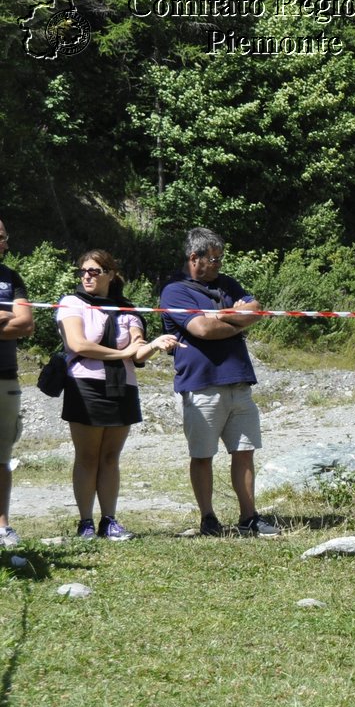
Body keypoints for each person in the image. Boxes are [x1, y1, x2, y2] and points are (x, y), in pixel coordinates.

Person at [159, 228, 278, 537]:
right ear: (193, 258)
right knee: (202, 455)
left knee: (245, 450)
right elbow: (201, 330)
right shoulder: (174, 290)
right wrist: (235, 319)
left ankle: (249, 517)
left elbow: (256, 310)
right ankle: (208, 517)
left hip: (238, 381)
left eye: (220, 258)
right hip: (202, 384)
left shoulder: (226, 283)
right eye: (213, 259)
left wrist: (222, 318)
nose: (218, 265)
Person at [57, 250, 178, 539]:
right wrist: (121, 353)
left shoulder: (127, 310)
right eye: (83, 271)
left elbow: (138, 352)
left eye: (94, 271)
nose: (87, 275)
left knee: (110, 457)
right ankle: (85, 522)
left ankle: (109, 520)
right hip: (85, 385)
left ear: (110, 275)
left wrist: (155, 344)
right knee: (87, 457)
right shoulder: (71, 303)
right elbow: (78, 344)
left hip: (123, 387)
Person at [0, 217, 33, 548]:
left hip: (5, 379)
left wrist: (10, 316)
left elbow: (25, 324)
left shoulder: (11, 278)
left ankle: (2, 527)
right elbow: (13, 319)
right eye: (0, 237)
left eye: (4, 237)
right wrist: (5, 315)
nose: (5, 244)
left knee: (1, 455)